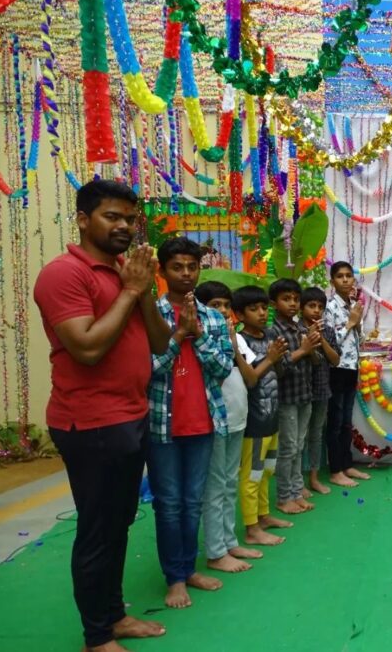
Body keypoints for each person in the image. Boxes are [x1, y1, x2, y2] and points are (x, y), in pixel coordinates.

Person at [33, 179, 171, 651]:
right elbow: (87, 348)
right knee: (97, 530)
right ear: (83, 219)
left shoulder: (123, 272)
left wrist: (144, 290)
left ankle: (114, 616)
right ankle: (97, 636)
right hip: (90, 423)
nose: (125, 227)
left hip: (130, 416)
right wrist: (130, 292)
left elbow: (159, 342)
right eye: (113, 216)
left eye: (130, 219)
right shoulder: (63, 274)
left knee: (119, 522)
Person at [146, 237, 234, 608]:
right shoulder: (148, 313)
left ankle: (189, 569)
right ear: (162, 272)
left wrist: (196, 336)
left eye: (192, 267)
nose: (186, 274)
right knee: (168, 504)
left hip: (203, 423)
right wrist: (178, 334)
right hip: (161, 426)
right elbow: (145, 371)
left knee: (192, 502)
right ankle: (175, 579)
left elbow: (223, 368)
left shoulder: (213, 317)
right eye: (177, 267)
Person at [194, 281, 264, 574]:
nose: (222, 311)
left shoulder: (236, 338)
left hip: (238, 417)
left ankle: (229, 541)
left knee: (230, 482)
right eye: (215, 306)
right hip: (215, 420)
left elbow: (250, 378)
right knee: (216, 486)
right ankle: (215, 551)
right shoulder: (199, 339)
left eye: (225, 305)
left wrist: (234, 345)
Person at [233, 285, 290, 546]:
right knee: (252, 475)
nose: (261, 313)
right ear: (239, 314)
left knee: (267, 471)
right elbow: (252, 378)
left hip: (272, 415)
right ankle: (251, 528)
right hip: (255, 420)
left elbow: (277, 373)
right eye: (253, 309)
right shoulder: (240, 340)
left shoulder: (268, 335)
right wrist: (271, 357)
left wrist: (277, 357)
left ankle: (264, 515)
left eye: (263, 307)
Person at [267, 278, 321, 514]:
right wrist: (303, 350)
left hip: (304, 394)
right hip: (287, 397)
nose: (292, 304)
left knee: (299, 446)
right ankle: (283, 497)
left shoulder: (301, 328)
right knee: (288, 448)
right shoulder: (274, 332)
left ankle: (297, 492)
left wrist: (313, 347)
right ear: (273, 304)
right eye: (286, 299)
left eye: (295, 300)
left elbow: (316, 362)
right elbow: (278, 368)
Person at [323, 261, 371, 487]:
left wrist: (358, 325)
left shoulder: (353, 304)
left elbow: (359, 341)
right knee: (335, 421)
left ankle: (347, 465)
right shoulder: (329, 307)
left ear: (353, 280)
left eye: (348, 276)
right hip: (336, 369)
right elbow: (330, 343)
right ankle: (335, 470)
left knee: (346, 422)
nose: (345, 280)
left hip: (352, 367)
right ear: (332, 281)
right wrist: (350, 323)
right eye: (340, 276)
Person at [299, 286, 340, 496]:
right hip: (299, 391)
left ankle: (313, 478)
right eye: (311, 306)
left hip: (322, 388)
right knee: (299, 437)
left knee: (315, 435)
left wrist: (321, 339)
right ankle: (297, 483)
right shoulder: (295, 330)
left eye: (320, 307)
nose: (316, 311)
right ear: (301, 307)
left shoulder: (329, 331)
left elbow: (335, 360)